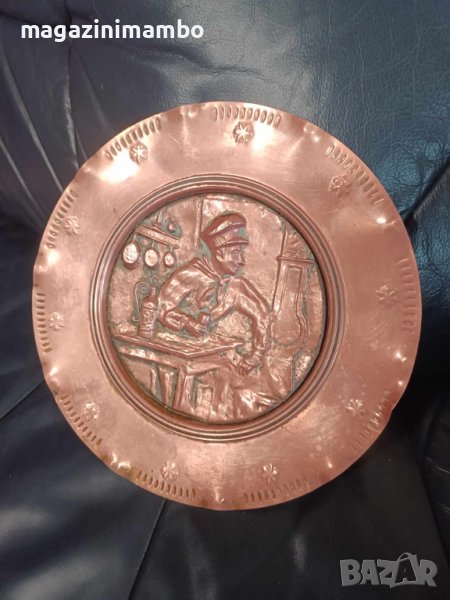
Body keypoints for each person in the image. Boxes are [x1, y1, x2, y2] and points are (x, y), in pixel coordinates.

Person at [157, 212, 272, 377]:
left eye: (242, 253)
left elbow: (263, 315)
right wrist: (187, 322)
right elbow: (160, 307)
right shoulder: (189, 275)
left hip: (211, 358)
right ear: (219, 253)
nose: (242, 261)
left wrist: (257, 355)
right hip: (174, 355)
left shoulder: (236, 286)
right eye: (236, 253)